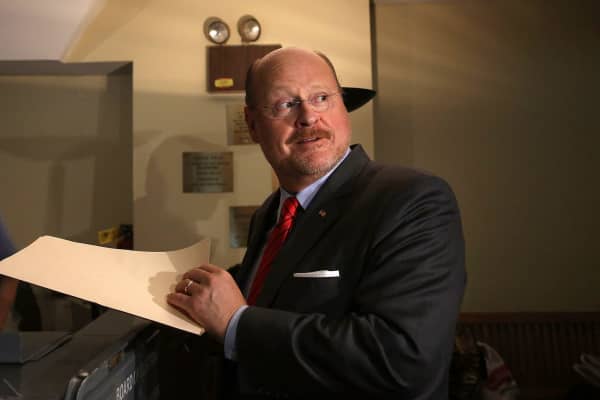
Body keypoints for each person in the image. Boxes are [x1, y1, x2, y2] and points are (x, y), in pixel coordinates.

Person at [166, 47, 466, 398]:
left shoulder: (412, 200)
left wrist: (237, 323)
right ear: (252, 125)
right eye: (285, 104)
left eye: (321, 98)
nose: (308, 116)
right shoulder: (270, 213)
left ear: (344, 108)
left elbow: (402, 361)